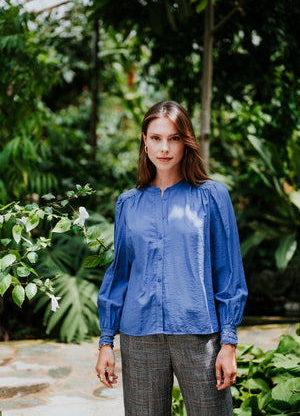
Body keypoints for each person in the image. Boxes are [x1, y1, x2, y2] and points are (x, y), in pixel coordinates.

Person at [95, 100, 248, 416]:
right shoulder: (128, 203)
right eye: (156, 138)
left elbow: (228, 271)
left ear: (186, 141)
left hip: (199, 335)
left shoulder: (212, 196)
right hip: (139, 338)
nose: (164, 147)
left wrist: (228, 342)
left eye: (174, 138)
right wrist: (106, 341)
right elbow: (120, 272)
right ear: (144, 141)